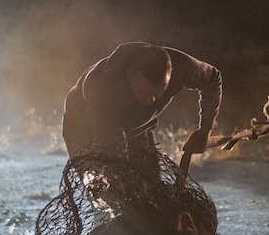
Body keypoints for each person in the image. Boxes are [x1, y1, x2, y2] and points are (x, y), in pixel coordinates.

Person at [62, 42, 222, 160]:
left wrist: (205, 128)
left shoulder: (182, 67)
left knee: (151, 189)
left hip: (137, 128)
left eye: (158, 93)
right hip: (83, 129)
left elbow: (213, 80)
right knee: (109, 189)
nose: (150, 101)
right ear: (130, 73)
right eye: (143, 92)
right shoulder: (102, 88)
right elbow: (114, 150)